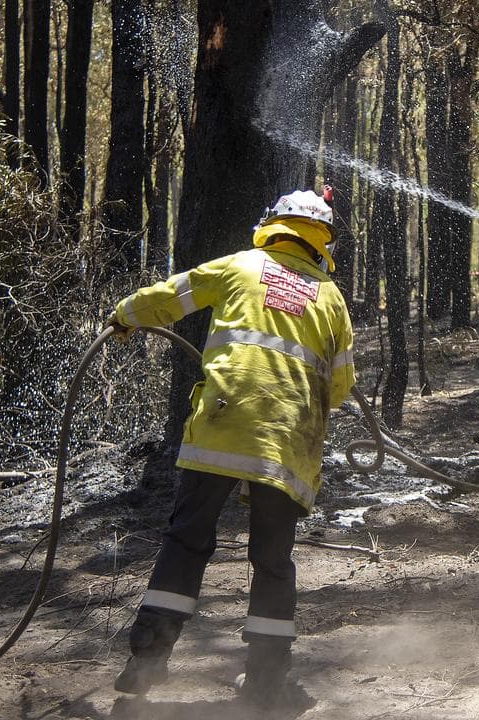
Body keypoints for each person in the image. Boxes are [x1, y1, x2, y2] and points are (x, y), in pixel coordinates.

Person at [108, 187, 355, 709]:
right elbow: (339, 386)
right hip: (287, 444)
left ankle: (146, 661)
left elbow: (169, 298)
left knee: (187, 541)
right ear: (320, 240)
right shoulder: (330, 298)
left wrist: (125, 315)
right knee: (272, 561)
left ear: (273, 225)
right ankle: (266, 683)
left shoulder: (240, 266)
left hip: (222, 428)